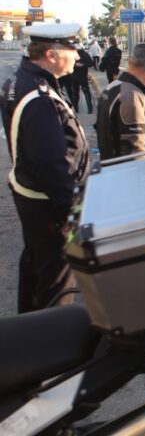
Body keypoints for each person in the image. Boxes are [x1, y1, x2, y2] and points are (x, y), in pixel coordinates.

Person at [0, 23, 90, 313]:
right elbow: (51, 163)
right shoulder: (38, 97)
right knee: (57, 282)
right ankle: (50, 348)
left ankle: (27, 336)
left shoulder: (22, 80)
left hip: (31, 196)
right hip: (49, 206)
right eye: (72, 50)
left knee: (35, 269)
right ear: (51, 54)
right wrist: (72, 215)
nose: (78, 57)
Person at [95, 43, 145, 158]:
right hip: (127, 173)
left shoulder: (111, 87)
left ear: (129, 62)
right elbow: (135, 152)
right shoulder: (132, 96)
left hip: (111, 167)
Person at [67, 43, 94, 114]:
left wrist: (82, 65)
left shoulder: (84, 54)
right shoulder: (70, 54)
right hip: (73, 77)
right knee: (75, 93)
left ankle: (89, 109)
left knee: (86, 92)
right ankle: (76, 108)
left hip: (82, 76)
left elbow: (91, 63)